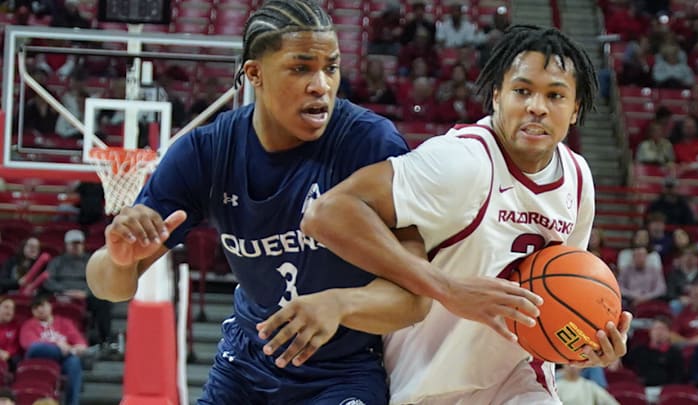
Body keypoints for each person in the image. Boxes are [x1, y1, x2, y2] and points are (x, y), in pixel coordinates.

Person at [85, 1, 429, 404]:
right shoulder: (206, 153)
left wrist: (342, 303)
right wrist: (119, 260)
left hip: (341, 371)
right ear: (254, 74)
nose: (321, 84)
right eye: (301, 68)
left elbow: (416, 295)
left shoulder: (369, 144)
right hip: (246, 365)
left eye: (331, 67)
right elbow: (108, 287)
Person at [300, 25, 631, 404]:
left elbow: (565, 294)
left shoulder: (577, 179)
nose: (537, 106)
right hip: (425, 382)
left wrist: (587, 342)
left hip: (517, 382)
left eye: (555, 95)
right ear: (496, 96)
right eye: (522, 91)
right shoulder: (460, 162)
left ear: (575, 110)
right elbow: (327, 213)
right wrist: (447, 289)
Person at [44, 230, 113, 347]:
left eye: (79, 244)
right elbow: (47, 280)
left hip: (85, 295)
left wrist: (86, 293)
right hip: (61, 294)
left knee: (103, 302)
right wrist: (64, 291)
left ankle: (105, 339)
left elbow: (100, 281)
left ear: (83, 244)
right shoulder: (57, 262)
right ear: (66, 245)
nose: (76, 247)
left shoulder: (92, 260)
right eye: (73, 244)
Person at [19, 295, 87, 405]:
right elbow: (29, 345)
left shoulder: (64, 322)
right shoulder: (29, 325)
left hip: (62, 361)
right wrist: (58, 345)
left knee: (74, 362)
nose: (39, 309)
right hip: (39, 357)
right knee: (37, 347)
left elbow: (82, 345)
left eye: (42, 305)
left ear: (50, 306)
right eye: (35, 308)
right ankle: (66, 353)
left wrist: (69, 348)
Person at [0, 297, 21, 371]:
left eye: (12, 309)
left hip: (10, 359)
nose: (9, 311)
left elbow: (16, 346)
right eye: (6, 307)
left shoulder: (17, 326)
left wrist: (8, 353)